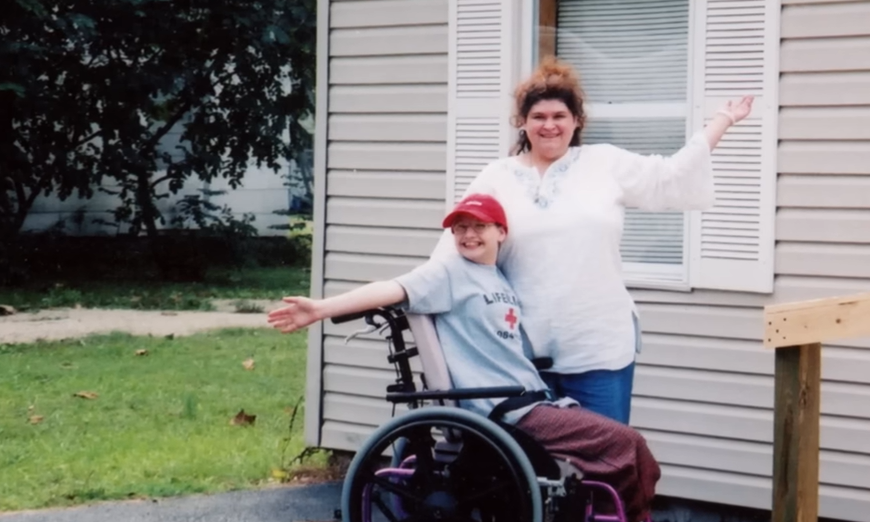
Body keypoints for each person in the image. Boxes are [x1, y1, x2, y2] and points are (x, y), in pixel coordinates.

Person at [268, 193, 660, 522]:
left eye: (480, 226)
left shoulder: (498, 279)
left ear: (501, 233)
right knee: (629, 446)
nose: (469, 235)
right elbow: (392, 287)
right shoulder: (449, 272)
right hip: (504, 408)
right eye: (461, 228)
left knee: (617, 460)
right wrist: (319, 308)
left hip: (530, 400)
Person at [427, 57, 752, 423]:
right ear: (522, 123)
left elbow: (671, 176)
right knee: (536, 472)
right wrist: (408, 297)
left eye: (559, 116)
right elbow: (452, 249)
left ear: (576, 121)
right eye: (538, 117)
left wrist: (722, 121)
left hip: (599, 347)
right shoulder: (496, 176)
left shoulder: (605, 163)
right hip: (522, 354)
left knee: (604, 465)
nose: (549, 126)